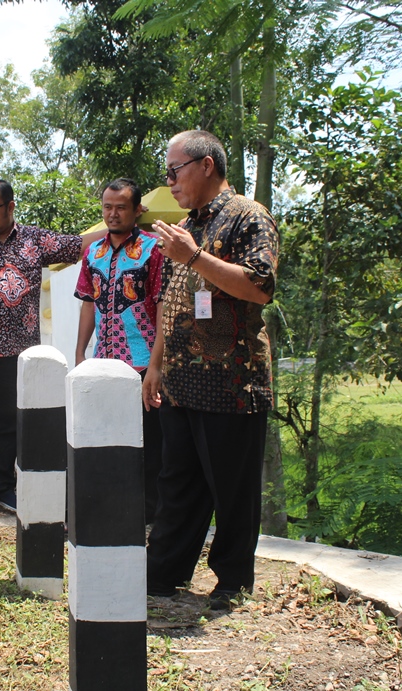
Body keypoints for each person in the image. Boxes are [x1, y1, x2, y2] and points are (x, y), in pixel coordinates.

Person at [142, 130, 278, 610]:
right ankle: (163, 574)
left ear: (205, 165)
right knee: (176, 483)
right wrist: (155, 365)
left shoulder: (247, 216)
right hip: (180, 381)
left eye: (174, 170)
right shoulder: (186, 225)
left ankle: (232, 582)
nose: (170, 181)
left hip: (230, 382)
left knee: (232, 489)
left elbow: (260, 287)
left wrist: (195, 257)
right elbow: (171, 302)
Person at [0, 180, 103, 518]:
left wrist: (118, 221)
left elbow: (78, 246)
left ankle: (3, 487)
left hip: (21, 351)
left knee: (9, 420)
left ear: (10, 207)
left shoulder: (35, 240)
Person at [73, 178, 164, 523]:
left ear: (137, 209)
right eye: (107, 207)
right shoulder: (92, 251)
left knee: (148, 443)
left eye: (121, 207)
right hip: (103, 363)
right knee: (105, 437)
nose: (113, 214)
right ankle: (108, 507)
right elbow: (87, 303)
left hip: (142, 364)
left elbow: (162, 307)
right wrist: (81, 352)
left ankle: (147, 516)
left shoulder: (154, 249)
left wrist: (156, 366)